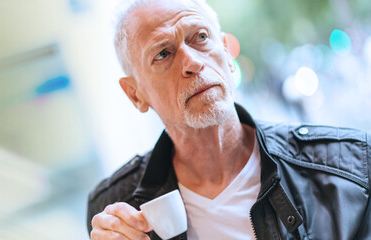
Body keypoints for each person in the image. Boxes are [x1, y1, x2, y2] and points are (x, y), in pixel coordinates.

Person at [86, 0, 371, 239]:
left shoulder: (348, 169)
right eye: (163, 53)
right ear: (135, 94)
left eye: (200, 37)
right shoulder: (117, 210)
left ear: (224, 49)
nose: (193, 63)